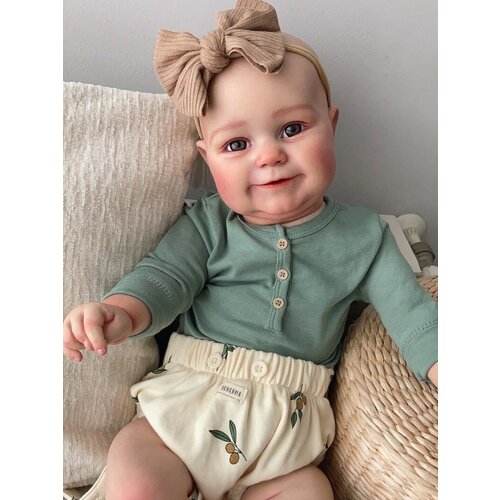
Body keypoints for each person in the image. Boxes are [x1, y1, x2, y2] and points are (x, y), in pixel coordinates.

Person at [63, 1, 438, 499]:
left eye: (292, 129)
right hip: (183, 412)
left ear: (331, 124)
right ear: (207, 159)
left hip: (285, 437)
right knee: (137, 468)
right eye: (237, 144)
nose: (269, 155)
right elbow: (163, 279)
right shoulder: (208, 225)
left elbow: (412, 314)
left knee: (311, 491)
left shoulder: (366, 236)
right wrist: (120, 312)